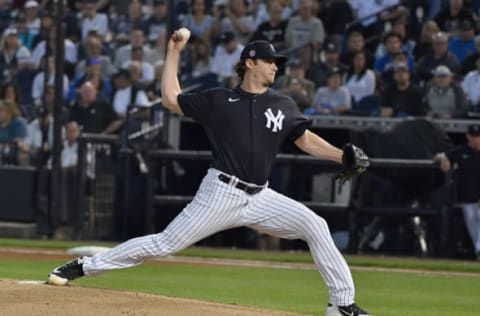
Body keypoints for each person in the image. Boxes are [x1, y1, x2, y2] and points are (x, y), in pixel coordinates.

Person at [47, 32, 372, 316]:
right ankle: (83, 267)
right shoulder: (219, 99)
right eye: (270, 60)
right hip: (221, 192)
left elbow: (304, 139)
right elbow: (171, 99)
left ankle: (341, 304)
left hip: (261, 196)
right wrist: (173, 52)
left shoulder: (282, 104)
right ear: (250, 62)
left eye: (277, 62)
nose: (276, 66)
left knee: (316, 225)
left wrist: (339, 155)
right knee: (163, 244)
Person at [433, 123, 480, 259]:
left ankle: (479, 250)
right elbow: (439, 156)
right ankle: (478, 251)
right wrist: (443, 159)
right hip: (467, 196)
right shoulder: (462, 151)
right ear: (468, 137)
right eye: (473, 136)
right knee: (473, 226)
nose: (476, 139)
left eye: (478, 136)